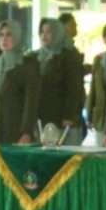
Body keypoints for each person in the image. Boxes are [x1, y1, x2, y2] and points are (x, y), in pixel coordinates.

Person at [0, 20, 40, 146]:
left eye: (9, 35)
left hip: (15, 131)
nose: (4, 39)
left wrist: (26, 132)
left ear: (17, 36)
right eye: (1, 35)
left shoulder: (27, 65)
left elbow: (31, 103)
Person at [33, 18, 84, 147]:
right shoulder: (34, 57)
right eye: (42, 32)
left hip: (61, 117)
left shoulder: (68, 56)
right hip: (40, 117)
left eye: (49, 32)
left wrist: (69, 115)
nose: (44, 35)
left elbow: (74, 88)